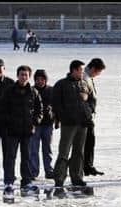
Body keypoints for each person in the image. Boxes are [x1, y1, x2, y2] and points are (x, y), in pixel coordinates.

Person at [52, 59, 95, 187]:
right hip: (68, 124)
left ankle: (76, 177)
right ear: (74, 70)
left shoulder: (84, 84)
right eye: (81, 70)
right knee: (64, 151)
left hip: (82, 123)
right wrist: (62, 117)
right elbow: (56, 103)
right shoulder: (61, 84)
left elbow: (91, 100)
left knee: (79, 152)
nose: (83, 72)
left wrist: (89, 111)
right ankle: (59, 178)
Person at [1, 65, 43, 193]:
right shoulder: (10, 91)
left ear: (29, 77)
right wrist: (8, 122)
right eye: (21, 74)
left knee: (27, 157)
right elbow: (3, 109)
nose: (23, 77)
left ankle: (26, 182)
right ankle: (8, 182)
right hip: (12, 130)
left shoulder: (33, 92)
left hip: (28, 131)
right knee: (10, 157)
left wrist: (35, 122)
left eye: (26, 75)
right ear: (17, 76)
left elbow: (39, 109)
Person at [30, 69, 55, 179]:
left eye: (42, 79)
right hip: (35, 124)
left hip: (48, 124)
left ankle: (49, 170)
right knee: (33, 149)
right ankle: (33, 171)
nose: (40, 81)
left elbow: (57, 105)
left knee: (47, 149)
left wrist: (56, 119)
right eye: (38, 79)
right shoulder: (30, 90)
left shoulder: (51, 90)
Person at [83, 58, 106, 176]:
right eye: (98, 72)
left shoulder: (88, 77)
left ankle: (88, 165)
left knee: (89, 142)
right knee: (87, 142)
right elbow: (84, 99)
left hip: (89, 115)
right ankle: (86, 166)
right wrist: (88, 113)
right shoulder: (85, 78)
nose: (98, 74)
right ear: (93, 69)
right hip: (85, 117)